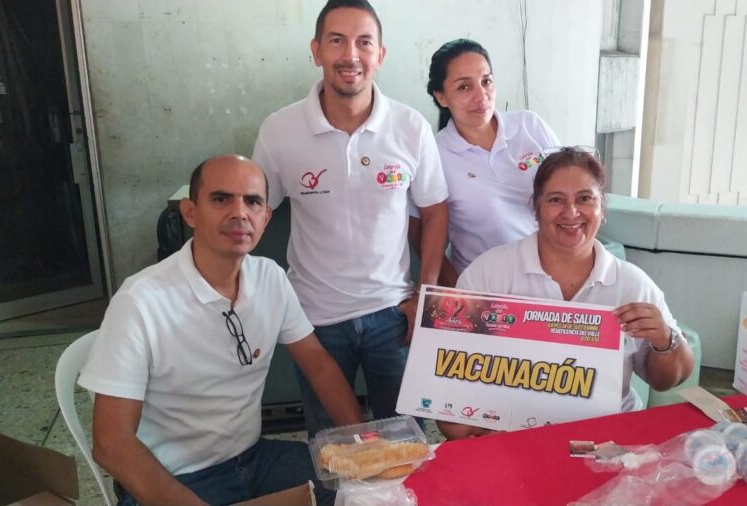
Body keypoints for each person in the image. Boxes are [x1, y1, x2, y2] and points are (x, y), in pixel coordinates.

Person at [79, 155, 362, 506]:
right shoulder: (141, 301)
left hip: (256, 460)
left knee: (365, 491)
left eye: (253, 202)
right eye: (221, 199)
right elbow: (112, 444)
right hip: (175, 478)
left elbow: (317, 363)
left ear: (266, 217)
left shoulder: (271, 277)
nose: (239, 213)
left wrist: (362, 440)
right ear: (190, 212)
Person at [251, 0, 449, 437]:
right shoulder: (279, 130)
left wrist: (426, 295)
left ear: (380, 54)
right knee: (332, 448)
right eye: (337, 40)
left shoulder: (410, 126)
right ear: (316, 49)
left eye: (364, 42)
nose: (351, 55)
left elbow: (435, 211)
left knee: (406, 446)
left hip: (393, 315)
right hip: (314, 321)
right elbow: (256, 212)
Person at [437, 147, 694, 440]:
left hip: (606, 438)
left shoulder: (632, 283)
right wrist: (476, 425)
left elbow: (668, 380)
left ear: (602, 207)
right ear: (536, 207)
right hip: (511, 436)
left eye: (585, 199)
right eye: (556, 200)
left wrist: (664, 339)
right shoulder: (489, 273)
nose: (571, 213)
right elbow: (448, 387)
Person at [411, 38, 561, 287]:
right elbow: (421, 231)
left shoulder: (529, 126)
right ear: (441, 97)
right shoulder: (435, 153)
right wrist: (461, 289)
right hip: (486, 290)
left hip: (551, 281)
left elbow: (568, 188)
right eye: (463, 87)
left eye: (486, 81)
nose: (481, 96)